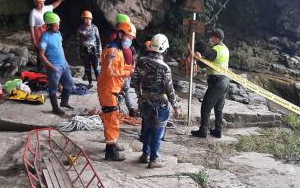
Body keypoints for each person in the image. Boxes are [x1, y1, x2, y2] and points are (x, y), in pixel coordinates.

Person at [133, 34, 181, 168]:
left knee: (147, 128)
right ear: (164, 50)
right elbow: (170, 90)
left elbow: (135, 81)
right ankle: (154, 159)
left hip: (145, 102)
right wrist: (176, 106)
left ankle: (145, 155)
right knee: (157, 131)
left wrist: (139, 96)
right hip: (160, 105)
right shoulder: (165, 68)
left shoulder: (141, 61)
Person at [97, 21, 136, 161]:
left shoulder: (117, 49)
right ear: (120, 34)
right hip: (108, 89)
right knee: (111, 119)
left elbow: (118, 66)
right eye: (129, 37)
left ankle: (112, 143)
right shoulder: (113, 51)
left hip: (111, 88)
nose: (130, 41)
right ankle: (110, 151)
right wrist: (128, 73)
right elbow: (110, 70)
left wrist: (129, 69)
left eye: (131, 39)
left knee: (113, 118)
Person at [191, 28, 230, 138]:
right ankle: (218, 130)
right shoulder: (225, 49)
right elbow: (211, 60)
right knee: (218, 108)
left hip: (217, 82)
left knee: (206, 107)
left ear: (216, 39)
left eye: (212, 37)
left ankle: (203, 130)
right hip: (225, 81)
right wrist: (202, 58)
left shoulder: (215, 50)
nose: (210, 39)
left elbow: (204, 64)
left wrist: (198, 58)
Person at [38, 11, 74, 115]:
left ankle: (64, 102)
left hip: (63, 64)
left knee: (69, 83)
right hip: (54, 66)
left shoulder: (58, 33)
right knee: (53, 88)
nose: (58, 26)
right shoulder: (45, 37)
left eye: (58, 24)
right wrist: (50, 66)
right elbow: (41, 55)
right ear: (49, 26)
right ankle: (55, 108)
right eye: (56, 25)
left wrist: (65, 61)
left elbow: (60, 47)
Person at [28, 0, 69, 71]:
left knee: (49, 50)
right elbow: (32, 27)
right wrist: (33, 39)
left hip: (47, 32)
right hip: (39, 34)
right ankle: (40, 69)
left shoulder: (46, 8)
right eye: (40, 3)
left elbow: (53, 5)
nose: (42, 4)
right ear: (36, 3)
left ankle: (50, 67)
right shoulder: (33, 12)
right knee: (40, 51)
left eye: (43, 2)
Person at [77, 10, 101, 88]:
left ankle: (99, 83)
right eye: (85, 18)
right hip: (84, 51)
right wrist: (79, 52)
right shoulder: (80, 29)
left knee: (96, 68)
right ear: (83, 19)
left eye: (89, 18)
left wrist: (100, 50)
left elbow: (98, 40)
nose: (87, 20)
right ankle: (90, 82)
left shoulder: (94, 28)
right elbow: (78, 42)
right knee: (87, 68)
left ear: (91, 19)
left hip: (94, 50)